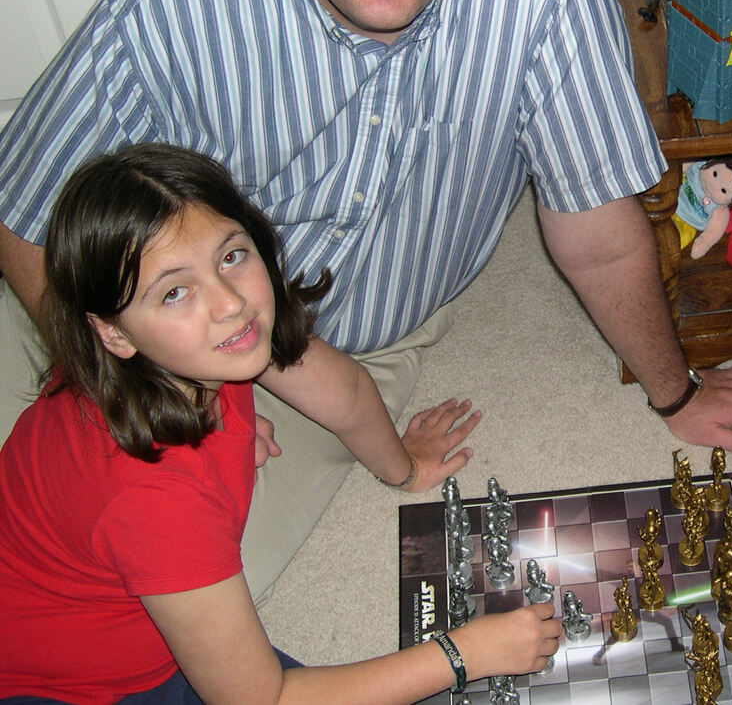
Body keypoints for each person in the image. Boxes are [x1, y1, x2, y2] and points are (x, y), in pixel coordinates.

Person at [0, 0, 732, 601]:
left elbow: (601, 238)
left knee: (150, 590)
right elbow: (26, 217)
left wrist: (678, 393)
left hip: (345, 356)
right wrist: (146, 381)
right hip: (144, 314)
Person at [0, 144, 561, 704]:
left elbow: (346, 393)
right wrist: (463, 654)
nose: (229, 303)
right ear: (113, 333)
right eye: (174, 292)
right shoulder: (157, 501)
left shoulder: (206, 345)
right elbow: (262, 699)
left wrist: (406, 467)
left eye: (230, 256)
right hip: (70, 689)